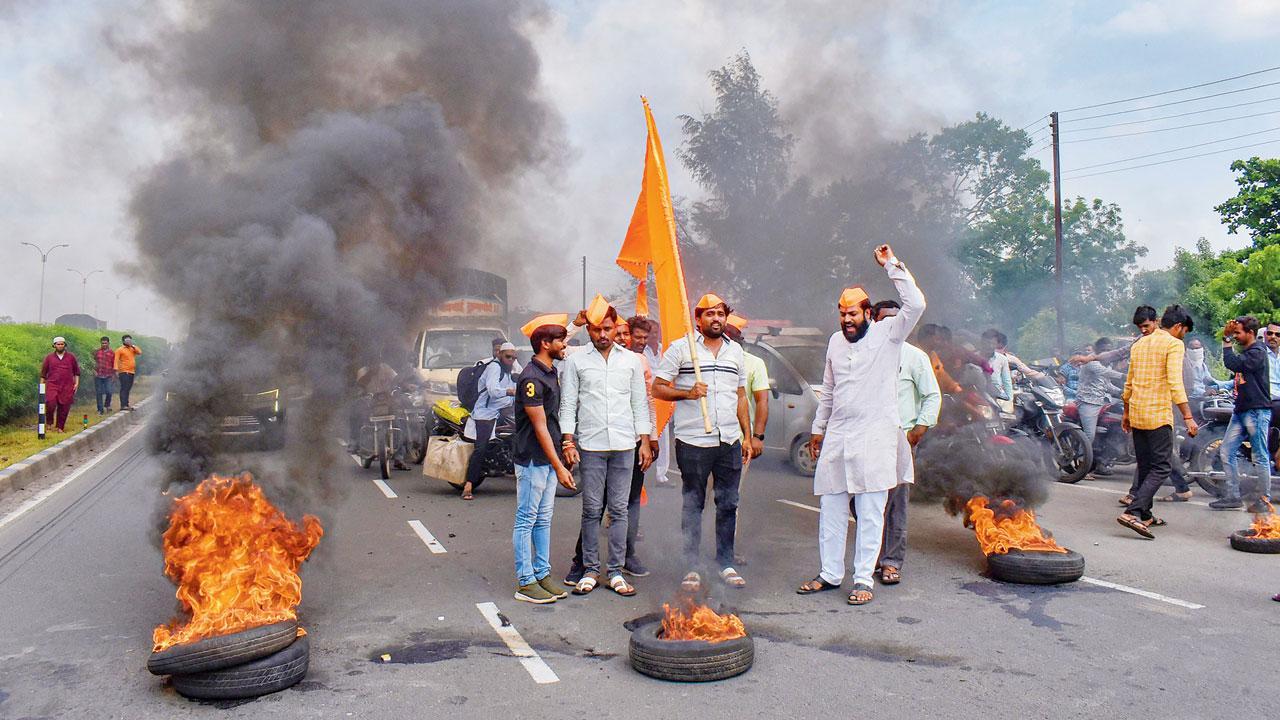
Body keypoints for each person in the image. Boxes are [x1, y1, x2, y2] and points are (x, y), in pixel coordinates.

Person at [797, 244, 924, 606]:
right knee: (832, 508)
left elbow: (916, 304)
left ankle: (863, 578)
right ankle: (830, 574)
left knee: (870, 512)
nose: (846, 320)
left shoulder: (890, 334)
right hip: (838, 435)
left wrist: (892, 266)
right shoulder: (836, 342)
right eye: (841, 314)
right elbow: (830, 390)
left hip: (876, 437)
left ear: (867, 312)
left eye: (851, 314)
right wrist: (818, 430)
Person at [652, 293, 758, 591]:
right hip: (693, 439)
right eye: (709, 314)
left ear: (726, 317)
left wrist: (746, 435)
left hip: (729, 439)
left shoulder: (735, 352)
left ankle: (725, 561)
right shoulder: (681, 349)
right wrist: (686, 393)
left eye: (720, 313)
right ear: (698, 319)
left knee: (728, 502)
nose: (716, 319)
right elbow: (658, 388)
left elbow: (740, 397)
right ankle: (691, 566)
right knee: (693, 503)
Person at [559, 301, 652, 597]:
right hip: (591, 444)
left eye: (608, 328)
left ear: (616, 329)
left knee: (620, 510)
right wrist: (568, 440)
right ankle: (589, 570)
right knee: (590, 509)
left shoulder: (631, 362)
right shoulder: (577, 361)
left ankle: (615, 572)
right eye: (597, 328)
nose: (602, 333)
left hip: (625, 444)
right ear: (589, 329)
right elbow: (568, 403)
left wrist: (645, 441)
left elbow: (640, 403)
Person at [865, 300, 939, 586]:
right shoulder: (866, 353)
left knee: (896, 504)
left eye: (898, 319)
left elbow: (932, 395)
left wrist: (918, 429)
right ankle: (869, 556)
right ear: (873, 320)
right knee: (864, 501)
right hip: (867, 437)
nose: (893, 325)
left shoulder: (914, 357)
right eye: (885, 319)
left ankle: (890, 562)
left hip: (900, 439)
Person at [1116, 305, 1198, 538]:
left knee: (1145, 466)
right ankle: (1132, 512)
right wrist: (1188, 416)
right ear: (1178, 327)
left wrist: (1126, 413)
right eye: (1184, 332)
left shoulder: (1140, 344)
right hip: (1158, 416)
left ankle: (1146, 515)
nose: (1183, 336)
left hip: (1138, 413)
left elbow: (1128, 383)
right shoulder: (1174, 344)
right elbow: (1175, 382)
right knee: (1161, 466)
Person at [512, 314, 576, 604]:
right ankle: (526, 582)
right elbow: (539, 427)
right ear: (544, 343)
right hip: (532, 459)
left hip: (547, 460)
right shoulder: (531, 378)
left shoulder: (549, 370)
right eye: (560, 340)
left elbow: (551, 421)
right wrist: (559, 465)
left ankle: (542, 574)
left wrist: (565, 448)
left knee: (544, 518)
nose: (565, 345)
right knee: (527, 519)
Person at [1213, 316, 1272, 512]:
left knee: (1260, 456)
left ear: (1251, 333)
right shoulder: (1249, 352)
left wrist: (1226, 339)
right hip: (1241, 410)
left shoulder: (1257, 352)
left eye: (1238, 333)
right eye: (1234, 333)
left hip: (1256, 411)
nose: (1236, 336)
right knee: (1226, 451)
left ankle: (1264, 500)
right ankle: (1233, 496)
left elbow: (1232, 363)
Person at [462, 342, 517, 500]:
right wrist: (510, 391)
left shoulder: (508, 370)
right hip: (486, 412)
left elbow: (514, 384)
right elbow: (493, 391)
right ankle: (468, 485)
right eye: (508, 357)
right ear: (500, 354)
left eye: (514, 357)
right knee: (481, 447)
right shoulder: (494, 367)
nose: (511, 360)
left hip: (503, 410)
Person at [1075, 337, 1125, 475]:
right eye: (1104, 350)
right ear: (1097, 351)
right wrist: (1125, 376)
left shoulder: (1105, 364)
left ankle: (1102, 461)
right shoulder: (1092, 362)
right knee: (1089, 436)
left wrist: (1122, 391)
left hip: (1104, 403)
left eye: (1109, 350)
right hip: (1088, 402)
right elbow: (1107, 374)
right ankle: (1080, 467)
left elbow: (1107, 384)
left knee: (1116, 428)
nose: (1107, 353)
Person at [724, 315, 770, 446]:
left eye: (731, 334)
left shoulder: (754, 363)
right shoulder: (705, 361)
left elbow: (762, 401)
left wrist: (757, 437)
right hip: (707, 441)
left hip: (740, 439)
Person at [40, 337, 81, 433]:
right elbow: (43, 374)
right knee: (50, 403)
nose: (60, 346)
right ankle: (49, 423)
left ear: (65, 345)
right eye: (58, 344)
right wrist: (41, 386)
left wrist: (76, 384)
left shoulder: (71, 357)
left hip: (67, 385)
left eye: (62, 344)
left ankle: (60, 427)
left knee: (65, 406)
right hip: (52, 384)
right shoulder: (49, 358)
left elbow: (76, 372)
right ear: (54, 345)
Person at [981, 329, 1013, 405]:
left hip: (998, 396)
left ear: (997, 344)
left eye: (993, 343)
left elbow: (1007, 381)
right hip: (980, 395)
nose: (990, 346)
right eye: (987, 343)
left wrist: (1009, 400)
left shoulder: (1002, 359)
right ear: (982, 343)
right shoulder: (974, 358)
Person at [1264, 322, 1280, 470]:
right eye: (1270, 333)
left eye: (1277, 334)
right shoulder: (1259, 354)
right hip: (1266, 400)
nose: (1273, 337)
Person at [114, 335, 142, 411]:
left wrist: (133, 346)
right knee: (124, 387)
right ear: (123, 341)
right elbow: (116, 360)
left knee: (128, 388)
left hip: (131, 371)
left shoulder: (132, 349)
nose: (128, 342)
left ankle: (126, 404)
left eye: (130, 340)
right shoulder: (119, 350)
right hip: (123, 371)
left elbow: (139, 352)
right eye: (127, 340)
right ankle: (123, 405)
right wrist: (116, 370)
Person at [92, 336, 116, 415]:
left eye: (105, 343)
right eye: (102, 343)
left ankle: (107, 404)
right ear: (101, 343)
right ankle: (100, 409)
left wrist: (114, 374)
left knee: (109, 391)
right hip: (98, 375)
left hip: (108, 375)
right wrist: (93, 370)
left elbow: (114, 364)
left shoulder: (112, 353)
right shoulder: (97, 352)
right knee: (99, 392)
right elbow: (92, 361)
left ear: (108, 343)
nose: (104, 344)